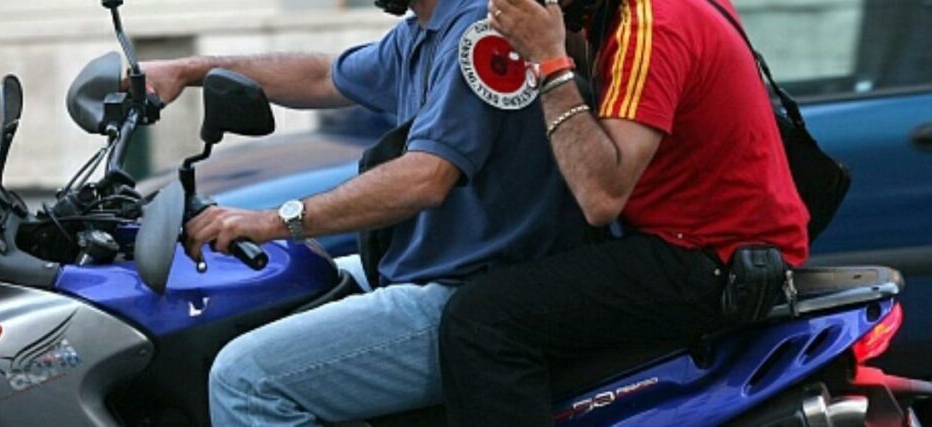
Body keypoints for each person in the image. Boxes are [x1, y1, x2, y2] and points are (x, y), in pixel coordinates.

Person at [143, 0, 585, 425]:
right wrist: (188, 70)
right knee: (279, 288)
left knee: (244, 380)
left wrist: (273, 221)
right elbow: (322, 76)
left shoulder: (478, 28)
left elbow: (426, 178)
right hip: (424, 264)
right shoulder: (422, 32)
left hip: (466, 289)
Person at [438, 0, 811, 425]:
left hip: (708, 254)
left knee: (480, 320)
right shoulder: (628, 17)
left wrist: (548, 61)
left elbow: (600, 196)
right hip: (705, 237)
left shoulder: (651, 27)